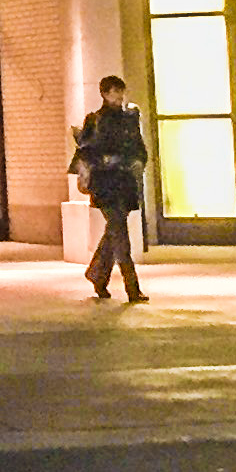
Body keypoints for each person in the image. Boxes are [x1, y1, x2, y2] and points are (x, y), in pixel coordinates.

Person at [71, 74, 149, 302]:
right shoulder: (95, 120)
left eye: (120, 91)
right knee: (120, 234)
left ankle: (97, 273)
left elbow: (139, 148)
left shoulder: (129, 119)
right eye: (113, 92)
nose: (118, 96)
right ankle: (132, 288)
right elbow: (86, 153)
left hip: (124, 182)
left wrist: (138, 162)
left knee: (114, 232)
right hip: (105, 184)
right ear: (104, 94)